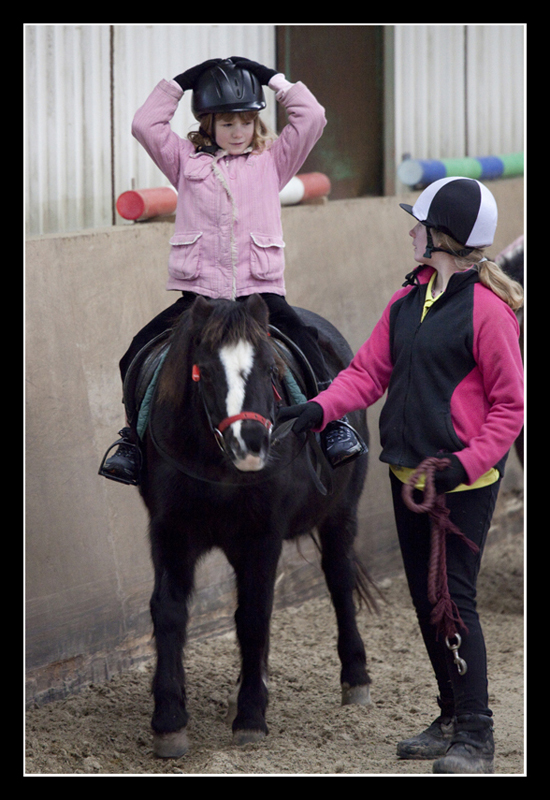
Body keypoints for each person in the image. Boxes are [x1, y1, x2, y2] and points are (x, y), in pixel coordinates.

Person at [278, 176, 524, 774]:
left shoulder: (488, 312)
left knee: (454, 600)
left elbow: (510, 408)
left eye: (419, 222)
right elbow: (366, 374)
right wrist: (317, 409)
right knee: (425, 600)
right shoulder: (408, 299)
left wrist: (465, 463)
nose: (411, 229)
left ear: (443, 236)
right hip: (409, 475)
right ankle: (449, 716)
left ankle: (478, 735)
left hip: (458, 483)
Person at [99, 57, 364, 485]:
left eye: (245, 121)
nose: (237, 132)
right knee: (135, 353)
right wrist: (181, 83)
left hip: (259, 295)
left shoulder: (274, 161)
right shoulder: (184, 161)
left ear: (256, 123)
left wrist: (270, 77)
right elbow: (145, 125)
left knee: (307, 344)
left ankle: (333, 426)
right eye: (226, 123)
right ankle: (133, 441)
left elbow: (312, 115)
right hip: (200, 299)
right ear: (208, 124)